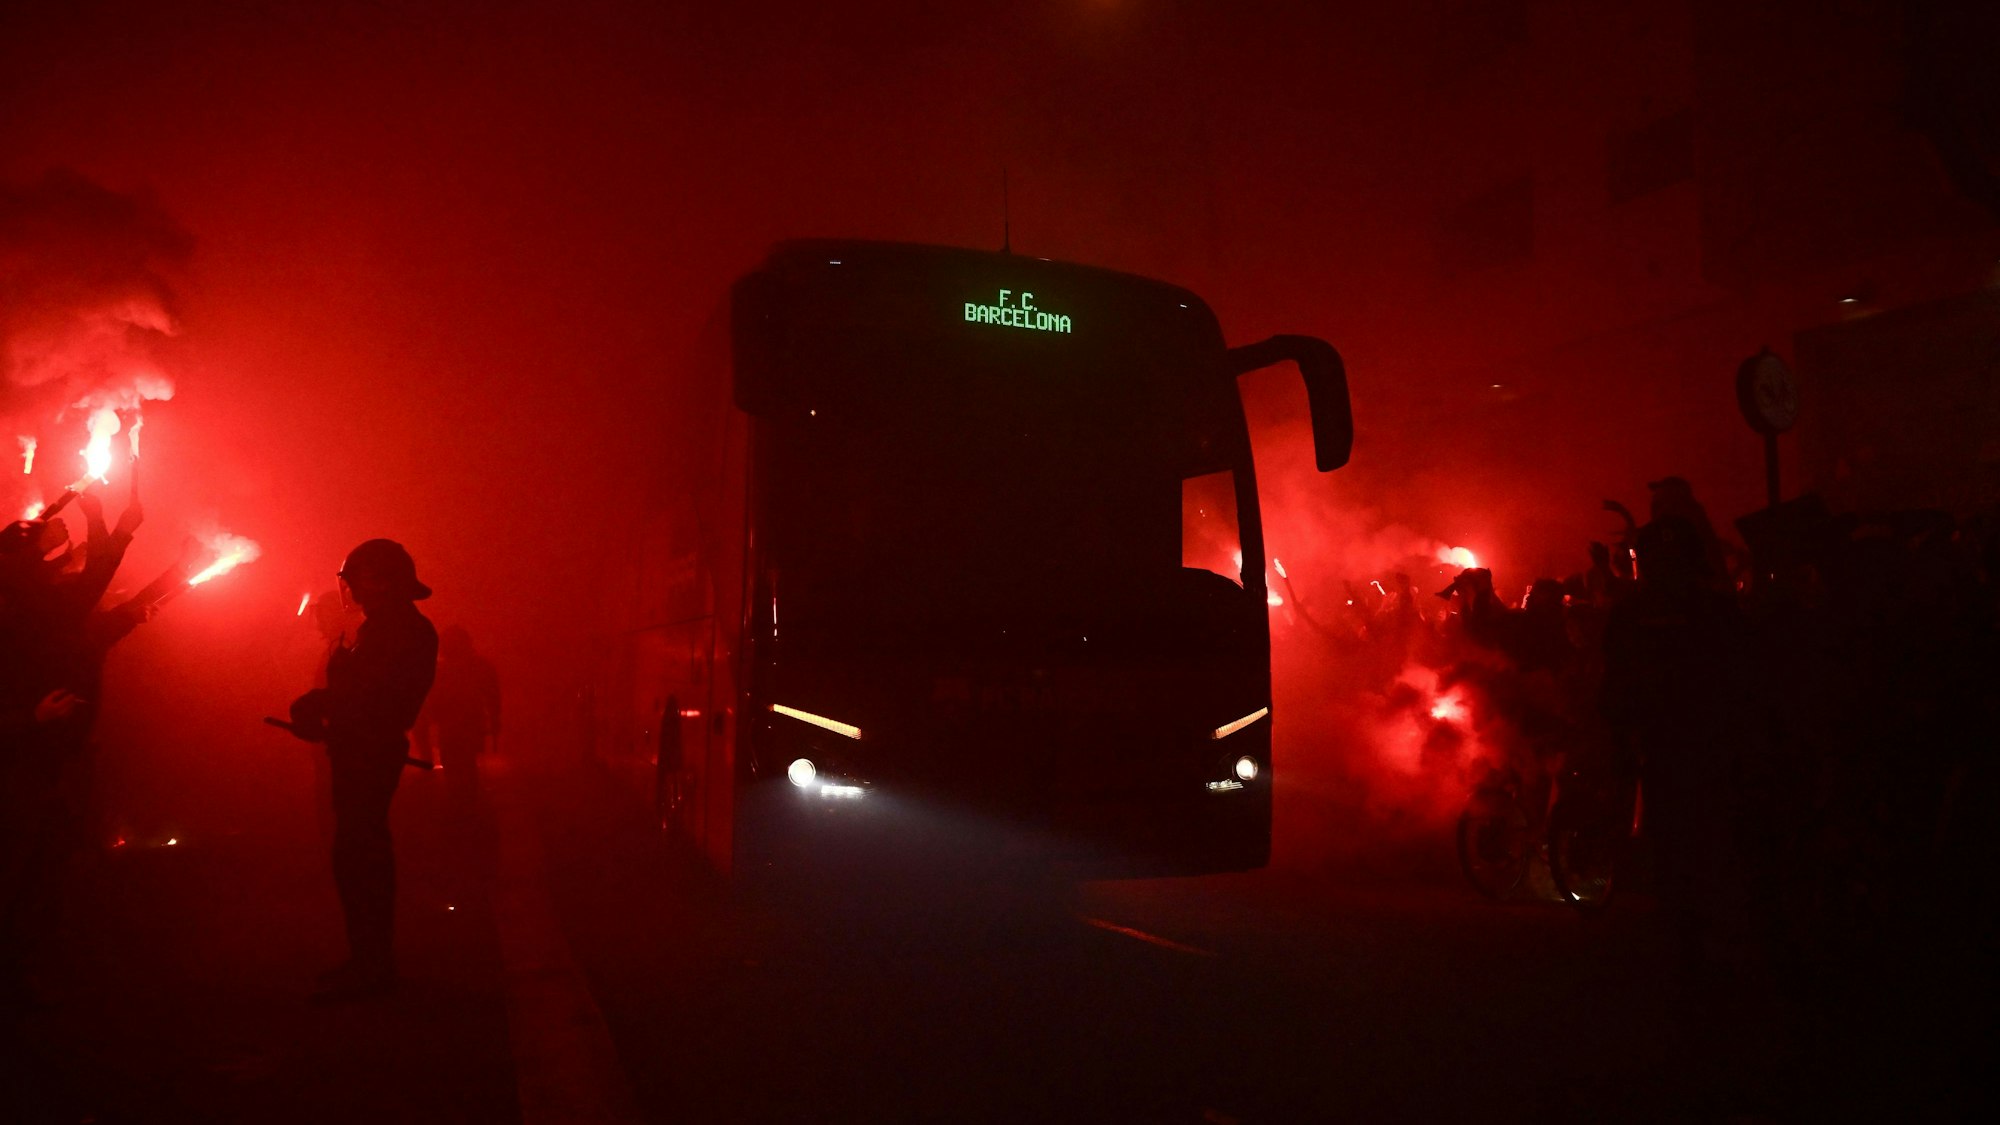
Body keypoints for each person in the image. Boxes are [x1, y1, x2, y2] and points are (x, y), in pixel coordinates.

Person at [284, 539, 437, 1002]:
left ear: (381, 579)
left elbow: (370, 695)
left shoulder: (399, 631)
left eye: (357, 578)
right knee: (355, 855)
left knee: (360, 857)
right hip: (361, 751)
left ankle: (372, 967)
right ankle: (368, 960)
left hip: (369, 756)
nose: (349, 588)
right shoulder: (389, 628)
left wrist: (319, 704)